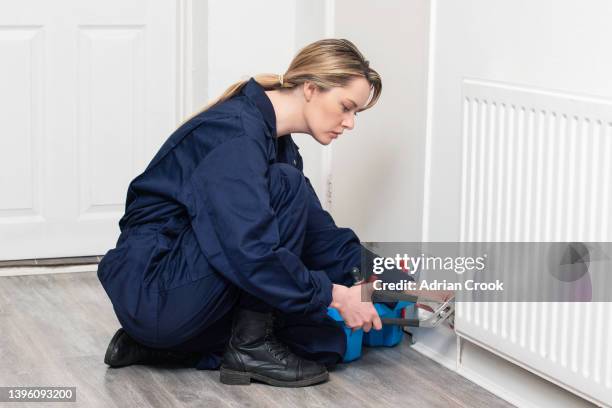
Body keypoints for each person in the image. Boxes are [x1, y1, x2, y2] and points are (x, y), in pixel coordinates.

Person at [97, 38, 386, 387]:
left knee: (324, 342)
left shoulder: (277, 145)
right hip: (156, 288)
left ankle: (166, 347)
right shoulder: (235, 134)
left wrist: (400, 284)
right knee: (286, 188)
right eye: (346, 106)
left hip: (180, 295)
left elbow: (320, 237)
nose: (350, 123)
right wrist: (336, 294)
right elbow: (250, 250)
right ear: (311, 88)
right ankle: (248, 347)